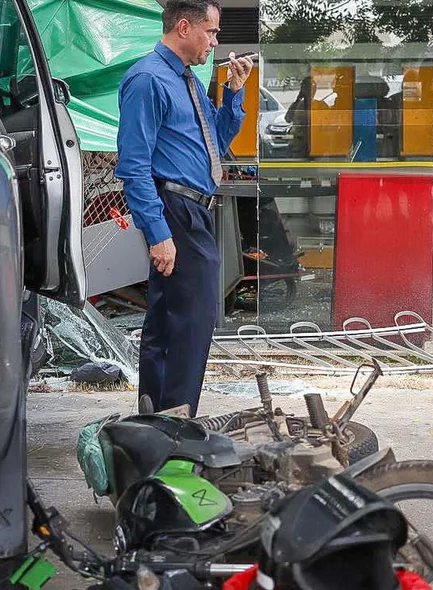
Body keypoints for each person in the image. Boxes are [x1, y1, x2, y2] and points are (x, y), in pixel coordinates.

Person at [114, 0, 251, 416]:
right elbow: (134, 166)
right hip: (175, 208)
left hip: (195, 210)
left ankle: (156, 415)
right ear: (185, 27)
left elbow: (218, 141)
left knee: (170, 319)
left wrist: (234, 94)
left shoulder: (187, 80)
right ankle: (176, 423)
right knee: (191, 323)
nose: (215, 42)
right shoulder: (148, 80)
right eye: (210, 32)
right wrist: (158, 234)